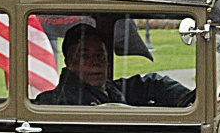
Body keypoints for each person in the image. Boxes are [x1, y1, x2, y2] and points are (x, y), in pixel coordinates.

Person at [36, 23, 191, 107]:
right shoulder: (60, 102)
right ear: (69, 63)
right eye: (85, 56)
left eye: (100, 55)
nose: (95, 62)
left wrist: (188, 101)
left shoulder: (110, 89)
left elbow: (153, 83)